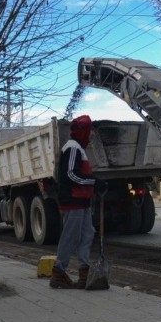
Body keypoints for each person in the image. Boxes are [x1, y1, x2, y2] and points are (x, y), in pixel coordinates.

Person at [50, 115, 103, 289]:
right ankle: (58, 272)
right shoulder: (72, 148)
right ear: (83, 132)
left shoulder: (79, 149)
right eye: (90, 131)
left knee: (87, 235)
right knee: (70, 237)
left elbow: (79, 175)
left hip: (83, 202)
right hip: (72, 201)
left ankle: (84, 272)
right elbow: (71, 175)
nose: (91, 135)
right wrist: (94, 181)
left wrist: (94, 182)